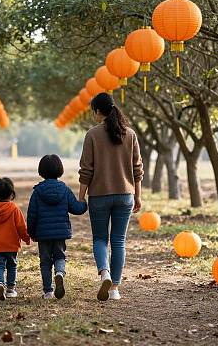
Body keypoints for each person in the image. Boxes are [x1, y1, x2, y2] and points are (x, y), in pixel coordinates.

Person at [78, 92, 143, 302]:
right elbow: (137, 170)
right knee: (119, 241)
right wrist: (138, 196)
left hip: (99, 195)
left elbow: (86, 170)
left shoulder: (92, 135)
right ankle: (115, 288)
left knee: (99, 239)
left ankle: (104, 272)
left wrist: (81, 197)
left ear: (98, 111)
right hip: (126, 195)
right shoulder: (130, 134)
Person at [27, 154, 87, 299]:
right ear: (60, 170)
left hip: (43, 234)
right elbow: (76, 208)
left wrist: (31, 232)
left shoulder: (37, 192)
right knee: (60, 256)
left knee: (45, 261)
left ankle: (48, 291)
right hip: (60, 233)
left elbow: (32, 215)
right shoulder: (64, 189)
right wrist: (84, 203)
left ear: (41, 171)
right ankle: (59, 273)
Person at [0, 177, 30, 300]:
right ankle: (10, 289)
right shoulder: (14, 209)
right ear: (12, 193)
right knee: (11, 266)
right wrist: (26, 238)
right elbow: (21, 227)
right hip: (11, 245)